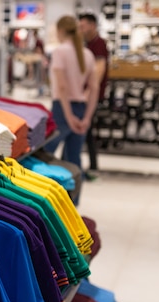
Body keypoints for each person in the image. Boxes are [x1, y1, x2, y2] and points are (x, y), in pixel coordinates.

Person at [44, 16, 99, 197]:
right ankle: (72, 205)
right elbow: (94, 88)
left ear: (60, 31)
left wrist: (68, 117)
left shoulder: (60, 52)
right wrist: (87, 118)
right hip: (81, 108)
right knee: (74, 159)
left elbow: (61, 87)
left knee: (44, 156)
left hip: (62, 109)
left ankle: (49, 200)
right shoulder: (88, 54)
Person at [79, 12, 109, 177]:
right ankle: (91, 165)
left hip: (92, 96)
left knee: (86, 130)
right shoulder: (86, 44)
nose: (81, 29)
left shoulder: (99, 44)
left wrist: (88, 93)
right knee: (87, 131)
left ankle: (90, 166)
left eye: (83, 26)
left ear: (92, 25)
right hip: (86, 94)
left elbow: (99, 70)